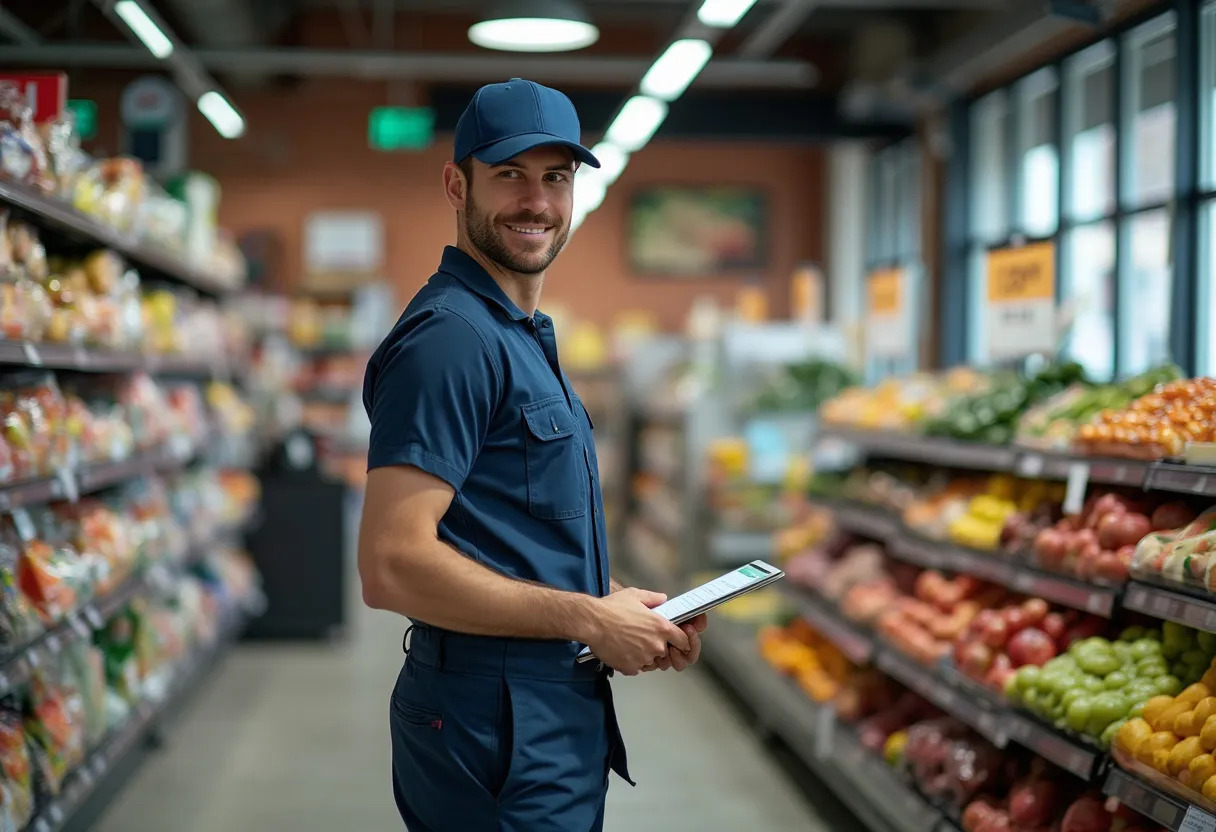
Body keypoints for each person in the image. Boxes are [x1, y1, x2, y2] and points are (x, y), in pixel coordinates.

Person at [358, 78, 709, 832]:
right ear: (457, 183)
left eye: (556, 177)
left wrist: (612, 602)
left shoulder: (516, 332)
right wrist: (586, 616)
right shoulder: (452, 341)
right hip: (492, 719)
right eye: (509, 174)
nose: (536, 202)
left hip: (539, 705)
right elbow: (391, 565)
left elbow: (502, 530)